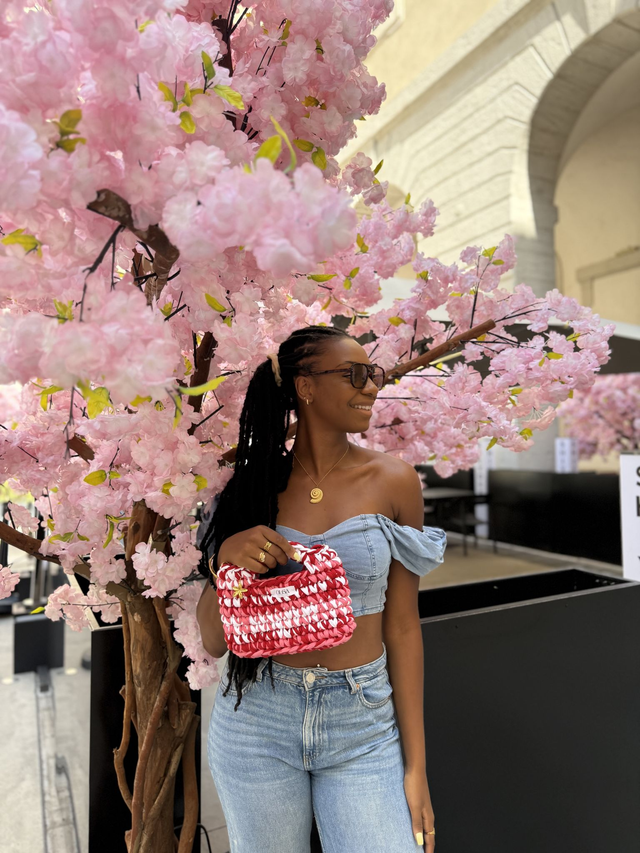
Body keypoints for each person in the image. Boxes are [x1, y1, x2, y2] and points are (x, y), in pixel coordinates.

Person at [196, 325, 446, 853]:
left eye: (374, 374)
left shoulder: (396, 481)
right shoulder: (250, 487)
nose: (371, 386)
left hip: (363, 722)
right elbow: (215, 642)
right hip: (257, 719)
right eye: (354, 374)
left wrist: (416, 768)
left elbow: (403, 626)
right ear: (305, 386)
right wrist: (225, 560)